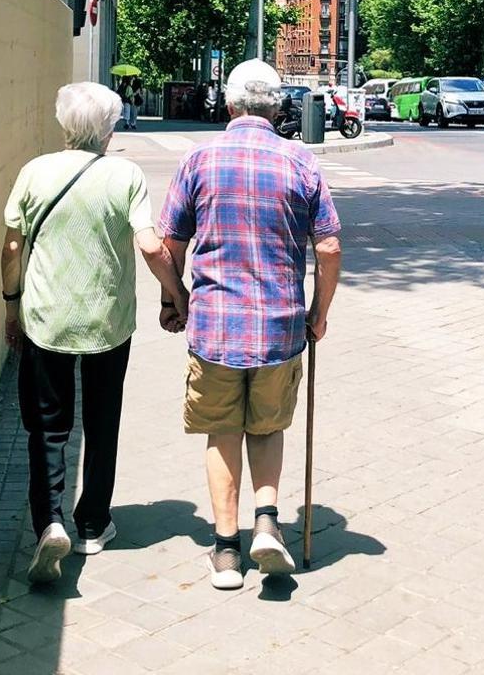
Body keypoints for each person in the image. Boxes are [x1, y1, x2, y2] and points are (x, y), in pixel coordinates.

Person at [158, 59, 343, 590]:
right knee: (267, 427)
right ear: (278, 106)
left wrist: (174, 300)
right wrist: (318, 313)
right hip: (281, 326)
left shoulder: (199, 159)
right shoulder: (300, 161)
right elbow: (328, 246)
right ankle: (266, 519)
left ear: (231, 104)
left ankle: (225, 552)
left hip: (214, 326)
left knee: (222, 431)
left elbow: (170, 243)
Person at [1, 82, 189, 583]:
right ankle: (91, 523)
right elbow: (150, 246)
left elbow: (14, 248)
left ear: (65, 124)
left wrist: (11, 304)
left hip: (45, 318)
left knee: (47, 426)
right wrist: (177, 293)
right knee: (102, 420)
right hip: (108, 320)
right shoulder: (125, 174)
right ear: (109, 129)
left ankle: (49, 523)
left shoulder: (35, 171)